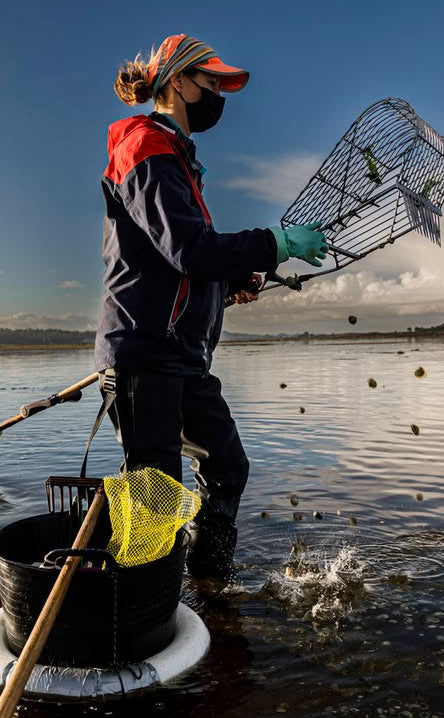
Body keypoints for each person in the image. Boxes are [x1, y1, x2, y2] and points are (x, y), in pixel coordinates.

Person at [95, 34, 328, 582]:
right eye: (212, 82)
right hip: (144, 353)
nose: (220, 94)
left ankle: (208, 592)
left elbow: (180, 266)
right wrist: (277, 243)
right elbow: (188, 248)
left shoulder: (177, 155)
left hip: (180, 357)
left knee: (227, 466)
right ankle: (140, 621)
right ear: (178, 82)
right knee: (154, 498)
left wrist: (227, 284)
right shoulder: (143, 144)